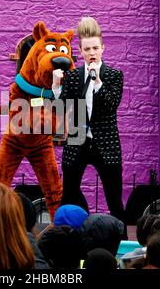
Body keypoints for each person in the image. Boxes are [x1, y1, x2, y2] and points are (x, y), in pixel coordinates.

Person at [52, 16, 126, 231]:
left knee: (114, 198)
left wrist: (97, 82)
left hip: (106, 142)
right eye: (87, 49)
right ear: (81, 51)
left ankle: (119, 242)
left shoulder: (113, 75)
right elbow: (61, 107)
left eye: (95, 48)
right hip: (77, 138)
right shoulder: (74, 76)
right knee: (69, 194)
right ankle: (69, 238)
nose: (92, 53)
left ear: (103, 48)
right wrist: (56, 85)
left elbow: (112, 104)